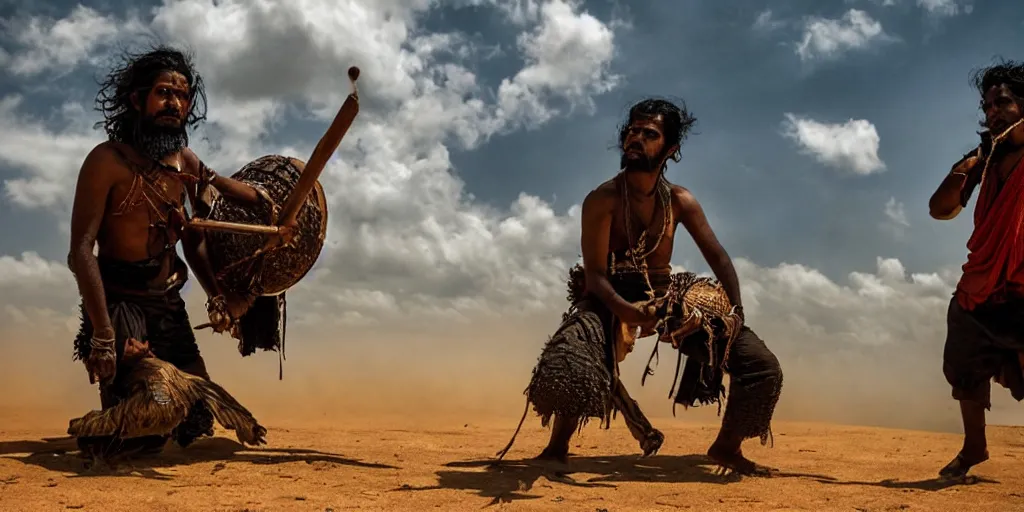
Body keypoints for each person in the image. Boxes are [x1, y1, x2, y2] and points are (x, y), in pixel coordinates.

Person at [498, 98, 783, 476]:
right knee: (572, 356)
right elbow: (596, 276)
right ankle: (557, 448)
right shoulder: (602, 200)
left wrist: (735, 314)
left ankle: (726, 448)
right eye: (632, 131)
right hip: (608, 293)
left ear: (670, 149)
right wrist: (626, 312)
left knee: (762, 368)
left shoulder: (680, 201)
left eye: (649, 134)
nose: (635, 138)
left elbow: (720, 259)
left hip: (665, 297)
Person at [67, 45, 288, 458]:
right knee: (151, 419)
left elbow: (197, 233)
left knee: (196, 418)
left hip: (167, 304)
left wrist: (218, 294)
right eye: (165, 93)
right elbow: (80, 251)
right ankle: (100, 426)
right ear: (137, 100)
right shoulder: (106, 161)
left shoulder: (182, 160)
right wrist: (102, 334)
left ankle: (140, 414)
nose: (175, 103)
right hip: (121, 309)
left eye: (182, 96)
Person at [929, 59, 1024, 479]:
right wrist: (966, 166)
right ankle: (974, 447)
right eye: (987, 106)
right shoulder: (984, 159)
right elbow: (940, 210)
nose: (992, 113)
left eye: (1002, 102)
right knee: (964, 360)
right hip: (983, 282)